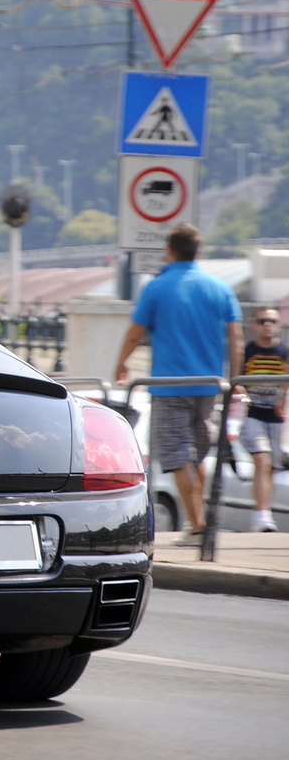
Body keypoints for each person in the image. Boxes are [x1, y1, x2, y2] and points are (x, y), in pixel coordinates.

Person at [114, 223, 243, 545]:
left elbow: (135, 332)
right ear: (197, 251)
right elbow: (236, 338)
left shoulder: (157, 288)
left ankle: (199, 526)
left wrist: (121, 362)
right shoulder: (220, 288)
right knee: (196, 456)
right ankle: (199, 521)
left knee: (176, 457)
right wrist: (236, 380)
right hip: (209, 386)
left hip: (170, 386)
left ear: (169, 251)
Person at [235, 305, 284, 532]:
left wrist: (283, 400)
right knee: (262, 461)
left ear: (279, 325)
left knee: (270, 468)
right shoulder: (248, 351)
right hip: (252, 415)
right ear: (255, 325)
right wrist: (244, 398)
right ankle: (263, 515)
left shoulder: (284, 351)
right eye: (263, 320)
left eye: (272, 321)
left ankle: (261, 511)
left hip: (275, 418)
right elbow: (237, 380)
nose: (267, 325)